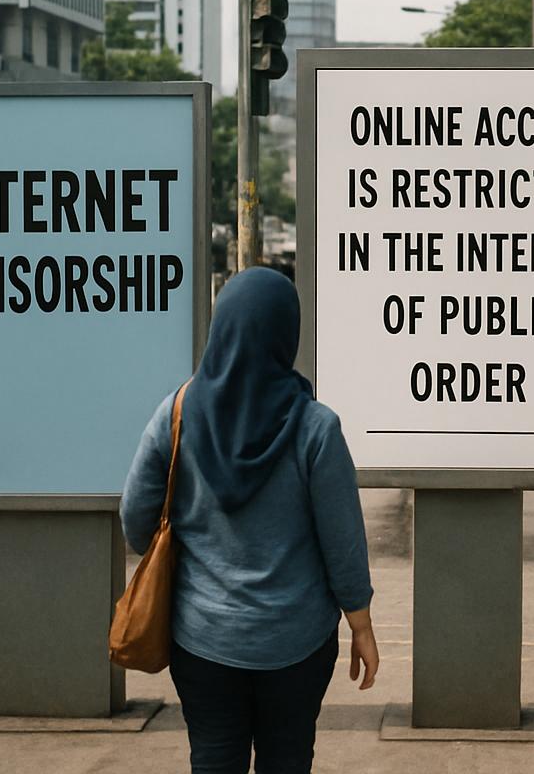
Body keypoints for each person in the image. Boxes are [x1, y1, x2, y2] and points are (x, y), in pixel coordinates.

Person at [120, 266, 378, 774]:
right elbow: (342, 542)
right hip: (297, 642)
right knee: (288, 759)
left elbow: (134, 521)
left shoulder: (177, 413)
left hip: (203, 639)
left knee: (214, 758)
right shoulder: (316, 428)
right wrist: (362, 626)